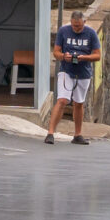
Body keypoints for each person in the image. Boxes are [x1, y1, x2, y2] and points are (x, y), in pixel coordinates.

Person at [43, 10, 101, 145]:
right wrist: (64, 56)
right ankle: (50, 133)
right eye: (74, 26)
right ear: (71, 23)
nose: (76, 29)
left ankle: (77, 134)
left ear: (84, 23)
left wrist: (84, 58)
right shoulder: (63, 31)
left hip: (83, 72)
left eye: (79, 26)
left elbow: (97, 55)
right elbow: (56, 52)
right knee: (62, 100)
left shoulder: (91, 33)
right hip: (66, 70)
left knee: (78, 103)